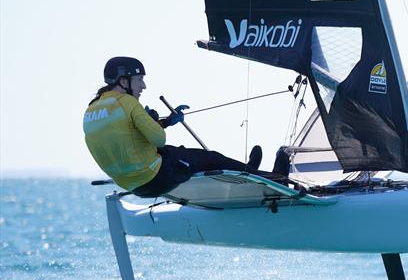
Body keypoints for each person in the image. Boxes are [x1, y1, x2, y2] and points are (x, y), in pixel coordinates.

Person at [83, 56, 277, 197]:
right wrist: (153, 122)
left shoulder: (91, 111)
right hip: (157, 176)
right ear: (124, 81)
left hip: (131, 186)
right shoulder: (127, 102)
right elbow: (159, 139)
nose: (143, 86)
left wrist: (164, 121)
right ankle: (270, 177)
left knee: (183, 156)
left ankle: (247, 171)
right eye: (139, 79)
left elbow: (126, 138)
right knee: (210, 158)